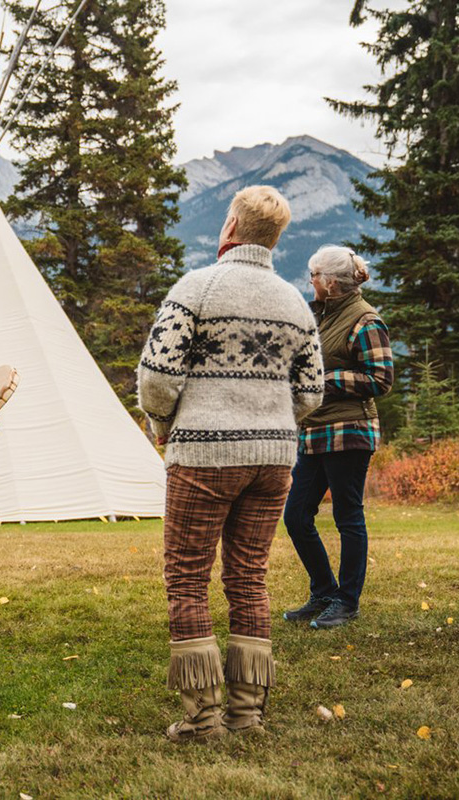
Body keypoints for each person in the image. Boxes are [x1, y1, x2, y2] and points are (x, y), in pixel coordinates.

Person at [137, 185, 324, 741]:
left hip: (204, 455)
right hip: (273, 462)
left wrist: (161, 424)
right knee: (249, 579)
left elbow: (157, 377)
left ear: (230, 228)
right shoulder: (295, 303)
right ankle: (247, 714)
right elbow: (311, 392)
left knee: (188, 578)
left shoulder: (197, 287)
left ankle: (202, 720)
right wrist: (272, 418)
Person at [282, 246, 394, 630]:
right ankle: (324, 591)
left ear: (329, 282)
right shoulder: (320, 317)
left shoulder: (366, 321)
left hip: (349, 431)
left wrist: (326, 381)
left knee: (348, 515)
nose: (309, 281)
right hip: (314, 432)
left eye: (313, 275)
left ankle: (347, 602)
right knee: (296, 516)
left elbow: (381, 378)